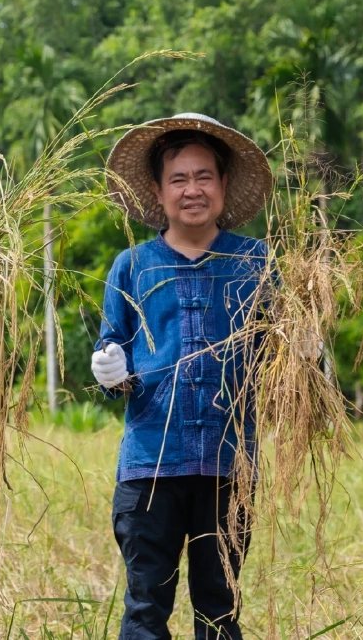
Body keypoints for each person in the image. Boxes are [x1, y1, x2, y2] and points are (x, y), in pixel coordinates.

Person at [91, 114, 274, 640]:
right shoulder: (132, 266)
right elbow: (113, 351)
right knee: (146, 609)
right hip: (150, 466)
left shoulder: (257, 263)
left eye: (204, 177)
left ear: (222, 185)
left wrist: (306, 353)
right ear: (157, 190)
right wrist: (110, 369)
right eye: (178, 179)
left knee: (219, 610)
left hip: (229, 464)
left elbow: (282, 363)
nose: (192, 190)